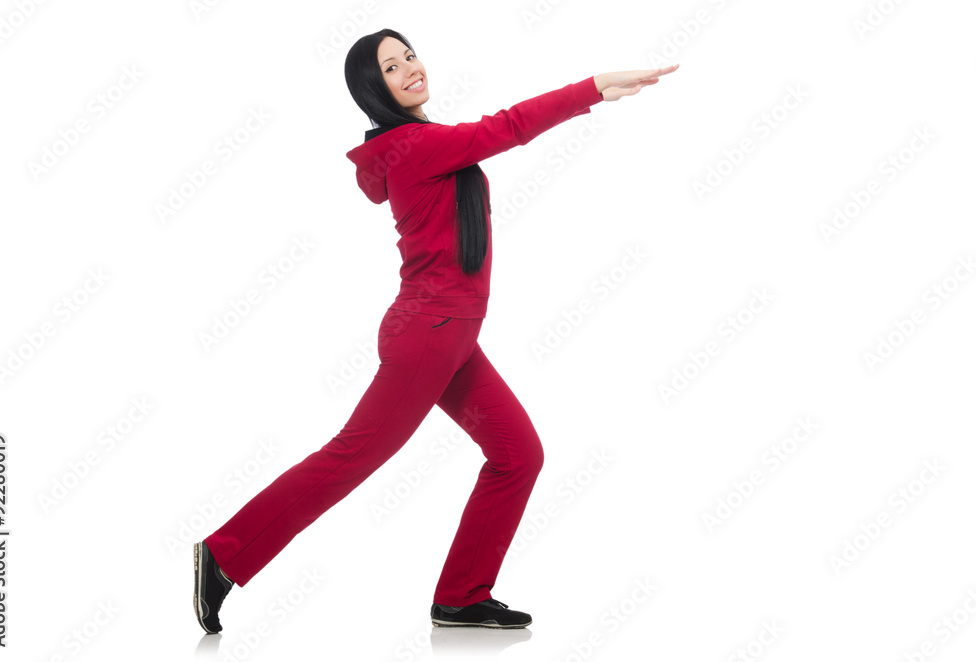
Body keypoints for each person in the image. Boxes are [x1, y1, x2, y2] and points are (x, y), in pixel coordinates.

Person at [193, 27, 679, 634]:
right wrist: (594, 87)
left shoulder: (421, 141)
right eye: (392, 68)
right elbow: (507, 127)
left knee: (517, 455)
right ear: (374, 90)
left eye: (410, 55)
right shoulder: (415, 145)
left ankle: (462, 596)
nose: (410, 68)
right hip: (430, 331)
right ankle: (225, 552)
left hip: (450, 334)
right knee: (351, 458)